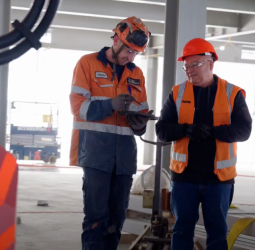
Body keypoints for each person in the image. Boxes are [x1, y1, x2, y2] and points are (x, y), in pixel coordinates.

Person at [155, 38, 252, 250]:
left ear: (210, 62)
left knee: (217, 233)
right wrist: (186, 129)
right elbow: (161, 130)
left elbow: (244, 131)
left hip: (219, 180)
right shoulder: (177, 94)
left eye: (194, 64)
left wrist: (214, 132)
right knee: (181, 230)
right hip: (184, 178)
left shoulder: (233, 93)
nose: (189, 70)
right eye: (186, 66)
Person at [69, 16, 153, 250]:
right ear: (116, 40)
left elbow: (141, 113)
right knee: (96, 220)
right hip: (96, 156)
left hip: (124, 159)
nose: (131, 57)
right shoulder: (87, 64)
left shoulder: (136, 74)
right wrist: (110, 105)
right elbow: (78, 108)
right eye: (129, 50)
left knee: (116, 221)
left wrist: (140, 122)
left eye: (136, 53)